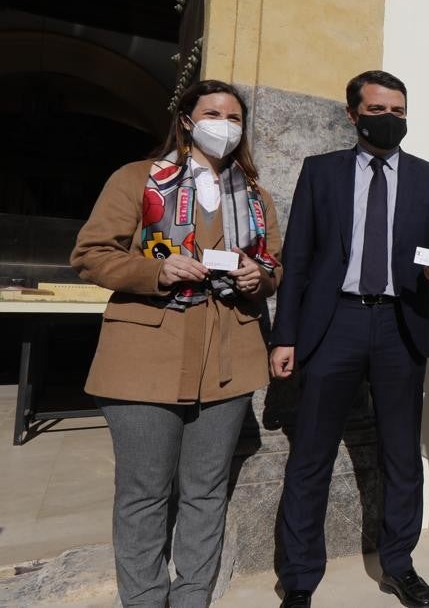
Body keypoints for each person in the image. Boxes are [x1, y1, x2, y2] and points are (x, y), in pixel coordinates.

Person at [71, 79, 283, 608]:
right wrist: (156, 270)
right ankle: (144, 601)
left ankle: (193, 598)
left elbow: (275, 263)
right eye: (212, 113)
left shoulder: (256, 197)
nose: (224, 126)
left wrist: (262, 277)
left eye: (234, 117)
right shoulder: (138, 179)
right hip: (145, 357)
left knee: (207, 491)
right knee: (144, 495)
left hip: (228, 359)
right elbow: (92, 254)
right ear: (187, 119)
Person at [270, 70, 429, 608]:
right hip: (336, 323)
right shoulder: (321, 172)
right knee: (311, 454)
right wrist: (285, 336)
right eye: (378, 110)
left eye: (399, 111)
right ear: (353, 114)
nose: (390, 119)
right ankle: (301, 577)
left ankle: (399, 563)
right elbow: (300, 259)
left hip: (401, 324)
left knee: (402, 454)